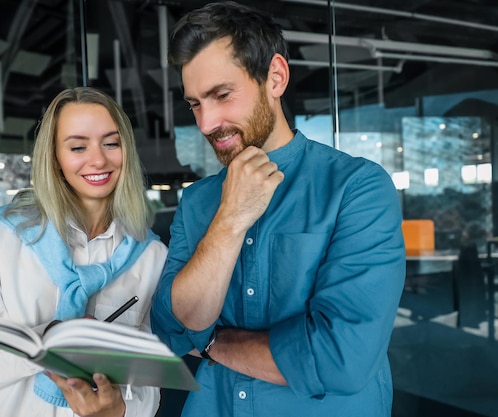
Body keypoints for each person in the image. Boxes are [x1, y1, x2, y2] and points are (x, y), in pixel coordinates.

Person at [150, 2, 406, 416]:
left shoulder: (356, 188)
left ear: (276, 77)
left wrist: (214, 343)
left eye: (222, 95)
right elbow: (174, 327)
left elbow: (340, 359)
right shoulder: (199, 201)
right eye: (196, 103)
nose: (206, 122)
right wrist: (230, 219)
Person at [0, 87, 167, 417]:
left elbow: (149, 380)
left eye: (111, 143)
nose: (98, 159)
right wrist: (44, 344)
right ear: (55, 157)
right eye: (77, 146)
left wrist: (120, 409)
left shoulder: (150, 255)